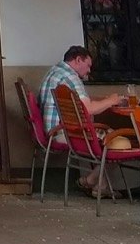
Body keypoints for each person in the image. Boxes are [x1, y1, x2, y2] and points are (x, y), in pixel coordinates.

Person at [39, 45, 120, 193]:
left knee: (105, 135)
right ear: (78, 60)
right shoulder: (71, 77)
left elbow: (83, 104)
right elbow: (88, 109)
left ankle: (99, 186)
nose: (89, 70)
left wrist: (103, 101)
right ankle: (91, 180)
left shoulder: (55, 72)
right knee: (117, 140)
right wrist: (112, 101)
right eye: (88, 65)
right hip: (67, 133)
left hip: (54, 130)